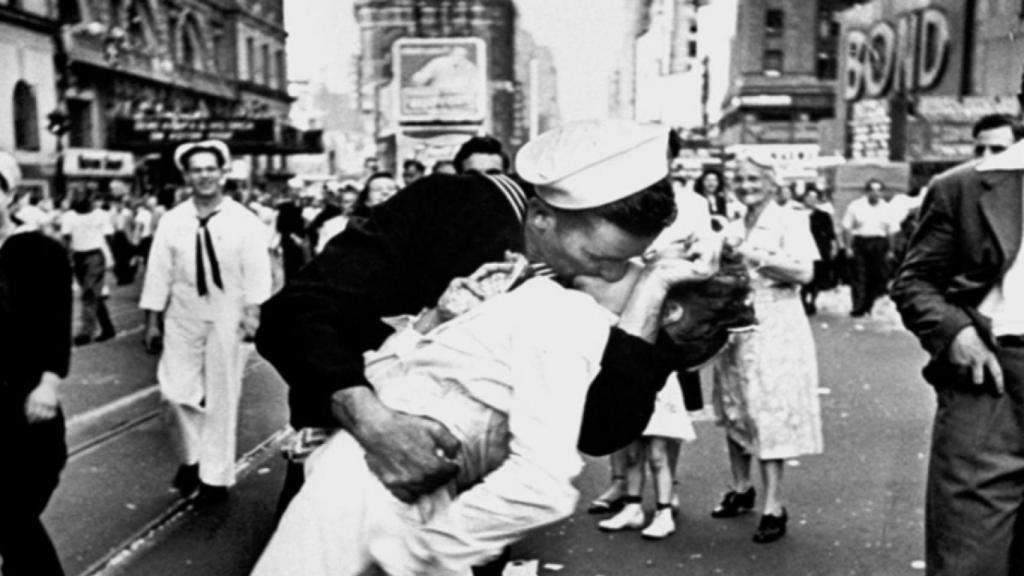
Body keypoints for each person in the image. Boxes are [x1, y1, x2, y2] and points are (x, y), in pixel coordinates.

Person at [255, 119, 717, 541]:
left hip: (460, 524)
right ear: (541, 217)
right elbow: (293, 314)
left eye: (628, 261)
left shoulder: (600, 291)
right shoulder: (450, 207)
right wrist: (374, 423)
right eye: (601, 258)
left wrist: (657, 299)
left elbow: (602, 429)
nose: (615, 275)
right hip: (349, 481)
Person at [891, 139, 1024, 576]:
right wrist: (956, 333)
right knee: (970, 552)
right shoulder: (964, 187)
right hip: (992, 381)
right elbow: (915, 283)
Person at [139, 140, 273, 503]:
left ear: (223, 173)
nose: (204, 176)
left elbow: (257, 272)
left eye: (210, 169)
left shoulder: (244, 221)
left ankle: (215, 478)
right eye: (196, 170)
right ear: (186, 176)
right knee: (174, 393)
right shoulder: (172, 221)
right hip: (182, 313)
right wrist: (152, 321)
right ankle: (192, 456)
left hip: (229, 314)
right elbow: (158, 272)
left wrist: (253, 313)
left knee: (223, 396)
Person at [708, 157, 823, 544]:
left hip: (776, 322)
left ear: (772, 183)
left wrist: (753, 256)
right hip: (734, 324)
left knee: (769, 409)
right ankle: (741, 487)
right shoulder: (732, 225)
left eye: (754, 178)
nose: (746, 185)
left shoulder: (790, 221)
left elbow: (804, 272)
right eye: (739, 179)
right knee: (734, 404)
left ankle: (774, 504)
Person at [0, 151, 73, 576]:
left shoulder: (40, 252)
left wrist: (48, 383)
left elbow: (56, 321)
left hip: (28, 403)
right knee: (10, 520)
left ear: (10, 196)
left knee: (14, 514)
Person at [61, 188, 116, 346]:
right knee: (92, 294)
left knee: (89, 293)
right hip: (78, 256)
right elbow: (66, 239)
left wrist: (111, 257)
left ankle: (86, 333)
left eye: (82, 195)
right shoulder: (69, 216)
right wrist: (67, 259)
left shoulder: (101, 215)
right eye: (76, 195)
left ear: (90, 198)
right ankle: (108, 328)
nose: (79, 199)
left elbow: (109, 236)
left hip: (95, 256)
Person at [841, 178, 894, 317]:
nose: (875, 193)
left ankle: (868, 306)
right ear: (866, 192)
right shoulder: (855, 206)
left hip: (879, 243)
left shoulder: (887, 208)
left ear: (882, 193)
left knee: (875, 276)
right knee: (859, 275)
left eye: (878, 191)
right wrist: (848, 247)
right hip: (861, 242)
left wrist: (891, 250)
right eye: (872, 190)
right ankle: (858, 306)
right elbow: (846, 227)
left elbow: (892, 230)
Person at [799, 188, 838, 315]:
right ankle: (803, 300)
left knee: (816, 277)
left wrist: (833, 248)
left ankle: (812, 301)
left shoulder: (823, 215)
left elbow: (831, 234)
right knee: (803, 276)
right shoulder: (796, 214)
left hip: (819, 249)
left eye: (814, 197)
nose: (811, 200)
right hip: (801, 249)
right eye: (809, 197)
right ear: (804, 198)